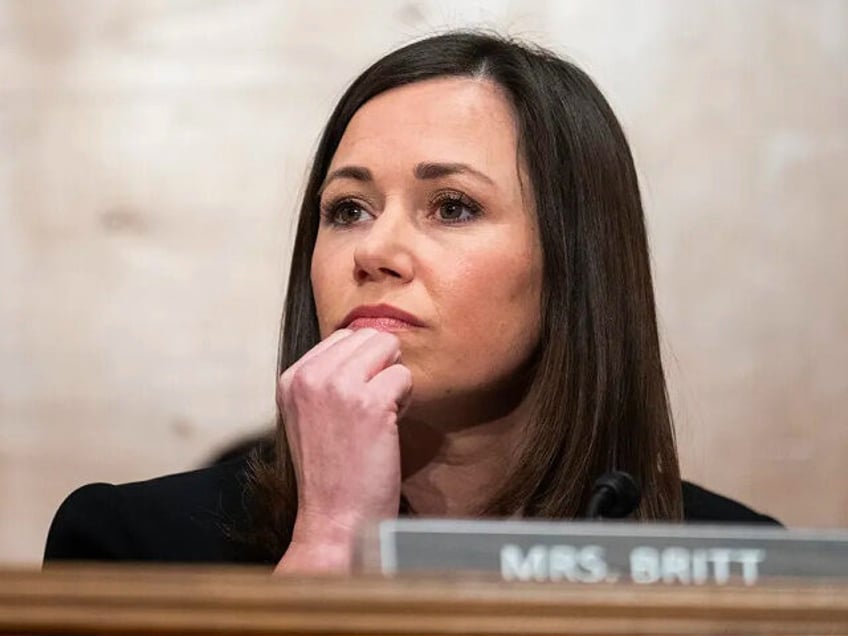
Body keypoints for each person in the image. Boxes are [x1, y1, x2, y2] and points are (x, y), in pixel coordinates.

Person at [44, 30, 779, 571]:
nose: (375, 252)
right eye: (348, 210)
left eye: (452, 206)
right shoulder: (133, 546)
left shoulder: (743, 566)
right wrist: (330, 539)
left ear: (574, 263)